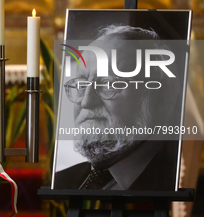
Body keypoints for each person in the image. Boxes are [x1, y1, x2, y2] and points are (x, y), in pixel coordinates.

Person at [54, 25, 182, 191]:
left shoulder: (175, 181)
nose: (86, 101)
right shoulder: (63, 182)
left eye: (108, 83)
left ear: (159, 97)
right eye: (80, 84)